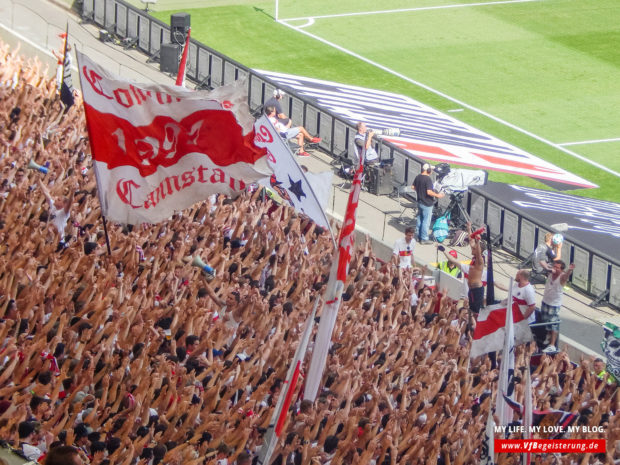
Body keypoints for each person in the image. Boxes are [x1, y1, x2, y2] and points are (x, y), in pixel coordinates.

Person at [540, 260, 574, 353]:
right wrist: (548, 268)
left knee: (554, 324)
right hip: (546, 301)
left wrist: (569, 270)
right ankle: (548, 335)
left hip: (554, 304)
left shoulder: (561, 277)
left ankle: (552, 344)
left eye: (557, 267)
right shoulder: (550, 273)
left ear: (561, 269)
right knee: (545, 321)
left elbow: (565, 277)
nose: (555, 268)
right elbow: (541, 262)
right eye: (554, 266)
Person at [411, 163, 444, 244]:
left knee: (419, 219)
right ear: (428, 170)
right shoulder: (428, 179)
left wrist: (420, 191)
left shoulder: (418, 176)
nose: (432, 171)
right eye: (431, 169)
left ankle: (418, 236)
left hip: (419, 201)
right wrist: (438, 195)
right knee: (426, 221)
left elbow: (413, 187)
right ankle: (424, 238)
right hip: (427, 203)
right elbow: (429, 192)